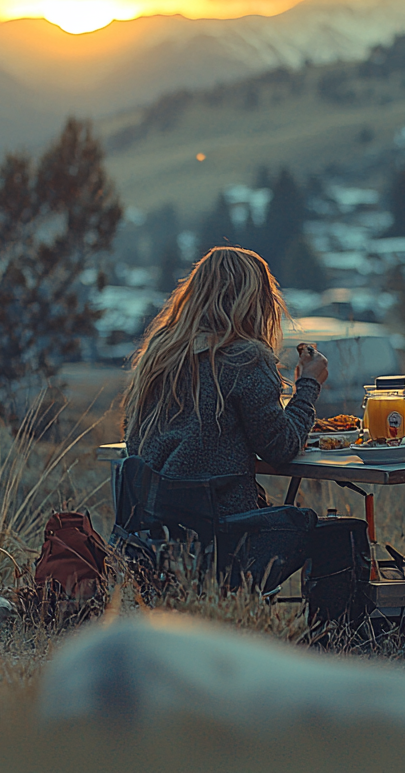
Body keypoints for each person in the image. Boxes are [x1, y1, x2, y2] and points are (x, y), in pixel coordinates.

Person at [121, 247, 328, 585]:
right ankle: (343, 636)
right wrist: (307, 385)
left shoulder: (159, 353)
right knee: (326, 532)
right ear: (255, 301)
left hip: (157, 538)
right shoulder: (244, 358)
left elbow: (135, 437)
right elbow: (282, 448)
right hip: (225, 537)